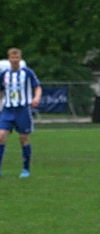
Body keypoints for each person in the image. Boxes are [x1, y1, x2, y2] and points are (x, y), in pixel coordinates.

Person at [0, 47, 41, 178]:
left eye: (17, 57)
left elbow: (37, 86)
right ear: (9, 59)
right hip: (7, 109)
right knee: (0, 136)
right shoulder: (4, 74)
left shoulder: (27, 72)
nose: (15, 60)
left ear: (20, 58)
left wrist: (36, 97)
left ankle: (26, 169)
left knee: (23, 138)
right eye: (12, 58)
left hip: (22, 110)